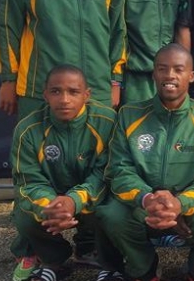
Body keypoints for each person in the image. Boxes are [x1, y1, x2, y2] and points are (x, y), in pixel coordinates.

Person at [97, 44, 194, 281]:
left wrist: (180, 203)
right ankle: (146, 269)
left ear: (191, 76)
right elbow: (118, 169)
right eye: (163, 68)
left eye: (178, 69)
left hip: (191, 205)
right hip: (144, 204)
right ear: (154, 74)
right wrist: (147, 198)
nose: (170, 75)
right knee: (110, 213)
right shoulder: (130, 114)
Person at [9, 65, 120, 281]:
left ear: (86, 95)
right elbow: (27, 181)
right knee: (24, 216)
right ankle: (53, 260)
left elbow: (107, 174)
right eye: (56, 91)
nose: (64, 99)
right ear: (45, 94)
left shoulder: (107, 122)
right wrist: (51, 206)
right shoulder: (28, 129)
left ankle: (110, 264)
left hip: (92, 195)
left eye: (73, 92)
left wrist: (74, 200)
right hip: (52, 199)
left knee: (115, 211)